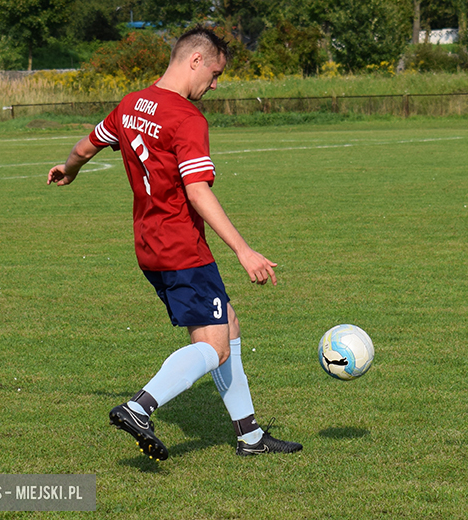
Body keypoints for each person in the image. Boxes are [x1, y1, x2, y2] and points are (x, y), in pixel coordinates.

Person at [47, 26, 302, 460]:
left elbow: (86, 147)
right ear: (195, 60)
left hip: (149, 246)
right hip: (183, 248)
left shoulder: (131, 104)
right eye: (215, 73)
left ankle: (250, 436)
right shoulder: (187, 118)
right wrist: (244, 250)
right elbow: (197, 191)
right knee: (214, 347)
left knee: (227, 325)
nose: (215, 85)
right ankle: (139, 408)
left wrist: (69, 169)